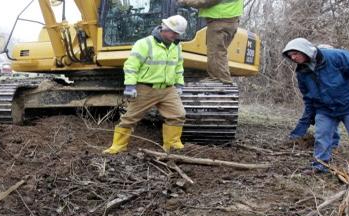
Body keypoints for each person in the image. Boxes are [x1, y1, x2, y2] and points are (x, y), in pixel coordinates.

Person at [282, 37, 349, 177]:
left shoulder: (337, 56)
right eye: (290, 55)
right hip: (325, 109)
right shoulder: (302, 72)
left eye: (295, 53)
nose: (293, 57)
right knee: (321, 136)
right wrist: (304, 124)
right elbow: (308, 98)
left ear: (305, 50)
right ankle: (320, 166)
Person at [104, 15, 189, 155]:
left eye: (178, 34)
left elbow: (178, 66)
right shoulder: (144, 43)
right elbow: (131, 65)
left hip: (168, 89)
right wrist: (130, 86)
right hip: (146, 88)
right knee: (129, 118)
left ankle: (172, 146)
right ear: (164, 28)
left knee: (178, 114)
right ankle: (118, 146)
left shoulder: (176, 46)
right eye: (174, 33)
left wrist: (179, 84)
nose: (176, 36)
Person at [180, 0, 244, 84]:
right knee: (218, 51)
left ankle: (220, 79)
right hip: (228, 19)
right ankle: (219, 77)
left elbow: (205, 1)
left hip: (221, 19)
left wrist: (185, 1)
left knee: (216, 51)